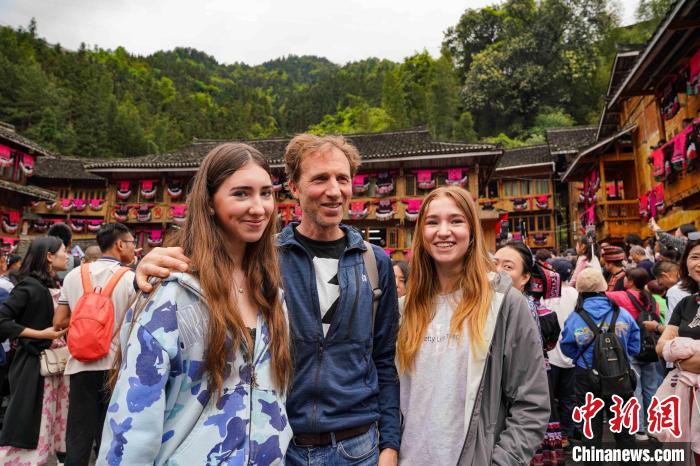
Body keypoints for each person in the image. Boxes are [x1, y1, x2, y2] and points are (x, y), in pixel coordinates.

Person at [132, 135, 401, 466]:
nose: (334, 190)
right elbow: (207, 266)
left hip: (358, 446)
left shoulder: (374, 263)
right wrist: (143, 270)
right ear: (294, 187)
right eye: (320, 179)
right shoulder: (262, 258)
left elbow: (384, 359)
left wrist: (390, 443)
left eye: (342, 179)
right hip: (281, 445)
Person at [98, 144, 293, 464]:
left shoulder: (271, 295)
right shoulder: (173, 294)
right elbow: (133, 421)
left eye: (266, 193)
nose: (259, 208)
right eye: (241, 194)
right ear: (210, 202)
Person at [397, 186, 549, 465]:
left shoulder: (504, 305)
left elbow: (531, 403)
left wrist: (501, 462)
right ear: (421, 233)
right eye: (432, 222)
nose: (443, 231)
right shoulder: (403, 309)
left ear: (472, 231)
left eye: (456, 221)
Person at [52, 223, 136, 466]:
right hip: (115, 366)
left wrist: (85, 323)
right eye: (132, 243)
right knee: (108, 435)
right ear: (119, 244)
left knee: (78, 434)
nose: (134, 249)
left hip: (80, 364)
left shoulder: (73, 275)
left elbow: (59, 322)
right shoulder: (130, 279)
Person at [0, 236, 70, 465]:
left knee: (46, 424)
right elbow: (2, 321)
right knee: (28, 423)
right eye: (63, 250)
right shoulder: (28, 286)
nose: (67, 255)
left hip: (54, 367)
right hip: (34, 366)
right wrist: (41, 334)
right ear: (49, 256)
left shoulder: (56, 285)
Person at [560, 268, 639, 456]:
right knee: (624, 429)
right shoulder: (621, 314)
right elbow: (635, 345)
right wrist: (620, 357)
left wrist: (582, 358)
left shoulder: (575, 317)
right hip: (619, 375)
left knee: (590, 430)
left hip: (586, 377)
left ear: (580, 290)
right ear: (603, 288)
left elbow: (566, 347)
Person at [606, 268, 661, 441]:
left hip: (632, 347)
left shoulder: (620, 296)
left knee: (634, 389)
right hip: (651, 348)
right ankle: (653, 426)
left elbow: (601, 295)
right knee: (651, 388)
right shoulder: (652, 299)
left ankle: (638, 429)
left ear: (629, 281)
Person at [542, 257, 578, 447]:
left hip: (551, 353)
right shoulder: (575, 293)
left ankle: (550, 436)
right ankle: (566, 434)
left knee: (549, 397)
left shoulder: (546, 295)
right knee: (568, 398)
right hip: (572, 353)